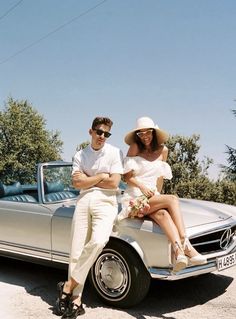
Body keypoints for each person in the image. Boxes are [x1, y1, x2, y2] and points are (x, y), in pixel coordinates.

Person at [55, 116, 123, 319]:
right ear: (91, 131)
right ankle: (76, 300)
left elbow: (114, 184)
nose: (102, 136)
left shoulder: (114, 152)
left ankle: (67, 285)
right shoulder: (80, 155)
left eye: (106, 134)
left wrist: (89, 180)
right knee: (76, 251)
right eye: (99, 132)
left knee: (99, 241)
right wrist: (102, 176)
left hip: (106, 202)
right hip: (83, 201)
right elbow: (77, 184)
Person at [120, 116, 207, 273]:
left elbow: (160, 177)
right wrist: (143, 187)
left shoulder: (163, 150)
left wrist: (159, 195)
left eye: (148, 132)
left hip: (152, 196)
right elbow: (127, 177)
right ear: (137, 135)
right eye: (141, 134)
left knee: (162, 214)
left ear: (153, 132)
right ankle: (186, 245)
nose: (145, 136)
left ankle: (179, 253)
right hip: (135, 198)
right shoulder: (134, 148)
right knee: (173, 199)